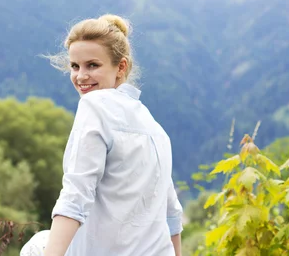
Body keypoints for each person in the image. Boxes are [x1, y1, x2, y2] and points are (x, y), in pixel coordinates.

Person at [41, 14, 183, 256]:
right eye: (75, 66)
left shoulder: (94, 105)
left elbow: (76, 195)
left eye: (92, 65)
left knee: (35, 246)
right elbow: (172, 213)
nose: (80, 76)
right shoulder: (155, 127)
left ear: (121, 67)